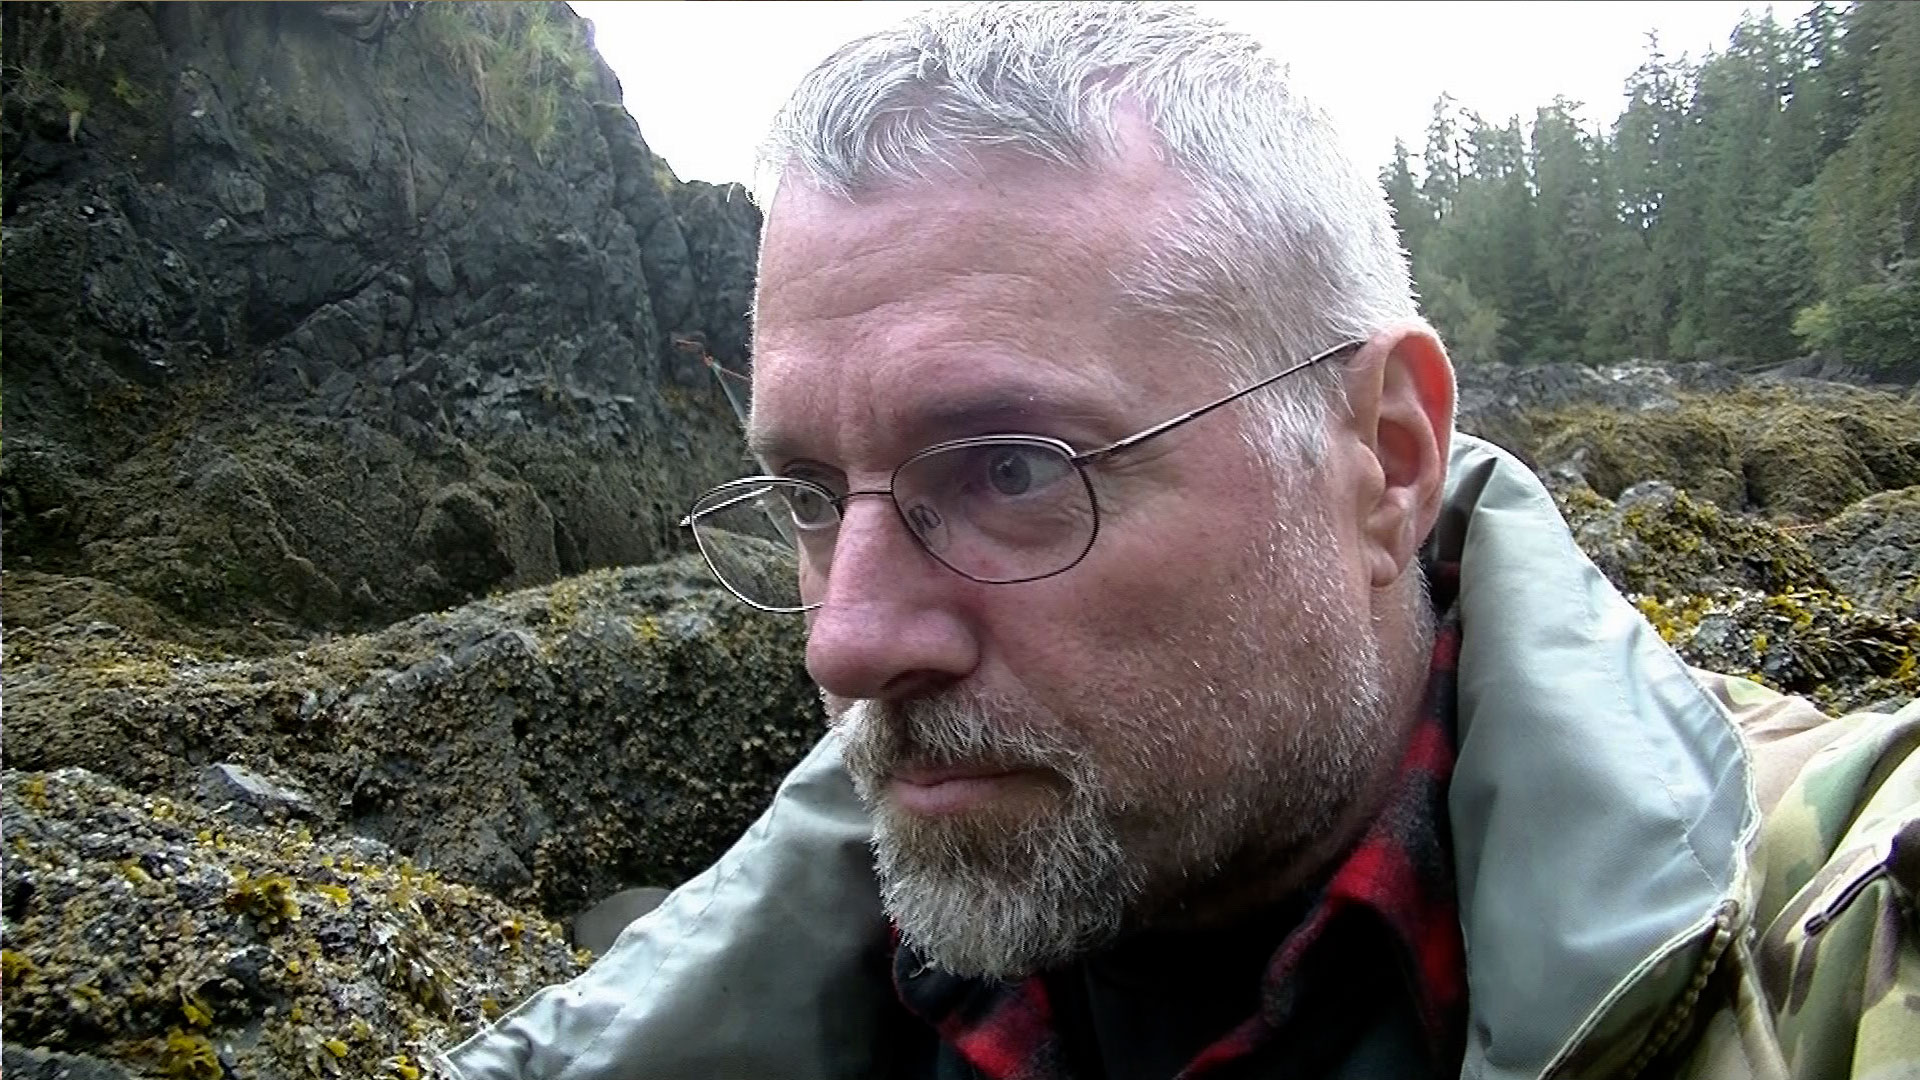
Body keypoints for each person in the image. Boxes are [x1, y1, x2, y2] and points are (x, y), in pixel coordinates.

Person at [442, 5, 1920, 1078]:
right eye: (814, 498)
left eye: (1012, 467)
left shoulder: (1830, 952)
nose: (845, 638)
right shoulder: (697, 1019)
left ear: (1385, 457)